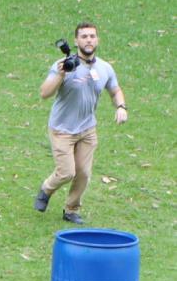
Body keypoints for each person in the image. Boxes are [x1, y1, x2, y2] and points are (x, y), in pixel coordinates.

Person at [36, 21, 126, 224]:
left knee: (83, 173)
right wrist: (60, 75)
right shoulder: (64, 65)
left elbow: (115, 90)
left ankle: (71, 209)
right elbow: (44, 93)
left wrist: (121, 107)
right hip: (62, 129)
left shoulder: (104, 68)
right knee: (67, 172)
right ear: (76, 41)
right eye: (84, 36)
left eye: (92, 36)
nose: (88, 40)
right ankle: (46, 190)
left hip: (87, 129)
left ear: (98, 40)